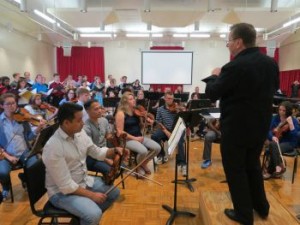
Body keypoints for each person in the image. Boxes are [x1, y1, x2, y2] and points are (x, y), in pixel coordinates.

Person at [202, 23, 279, 225]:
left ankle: (244, 215)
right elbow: (273, 88)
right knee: (252, 166)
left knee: (235, 170)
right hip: (260, 127)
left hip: (236, 129)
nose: (227, 45)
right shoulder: (271, 63)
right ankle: (261, 207)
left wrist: (214, 75)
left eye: (228, 41)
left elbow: (212, 93)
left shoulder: (234, 66)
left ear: (238, 42)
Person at [42, 103, 123, 225]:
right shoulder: (53, 147)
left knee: (114, 193)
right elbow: (66, 186)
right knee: (94, 214)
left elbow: (96, 152)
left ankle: (82, 220)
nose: (83, 123)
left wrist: (115, 150)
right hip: (61, 193)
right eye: (79, 120)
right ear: (66, 123)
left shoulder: (79, 133)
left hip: (82, 181)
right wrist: (92, 195)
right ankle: (88, 218)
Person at [0, 93, 45, 201]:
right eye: (8, 104)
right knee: (2, 172)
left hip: (24, 151)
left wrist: (38, 128)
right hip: (6, 154)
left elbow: (29, 136)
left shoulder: (22, 119)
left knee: (36, 166)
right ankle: (6, 187)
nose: (12, 106)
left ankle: (25, 177)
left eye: (14, 103)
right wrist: (8, 156)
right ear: (2, 106)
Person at [115, 92, 160, 177]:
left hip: (139, 136)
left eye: (133, 98)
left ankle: (142, 164)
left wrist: (147, 123)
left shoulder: (136, 112)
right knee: (143, 151)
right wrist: (135, 139)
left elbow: (141, 127)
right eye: (131, 99)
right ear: (125, 102)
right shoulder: (120, 113)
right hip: (127, 140)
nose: (134, 100)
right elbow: (120, 132)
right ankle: (136, 168)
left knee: (157, 148)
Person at [151, 91, 187, 176]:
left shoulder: (177, 108)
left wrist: (181, 111)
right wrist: (166, 131)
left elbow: (183, 120)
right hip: (165, 129)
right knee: (154, 136)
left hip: (176, 129)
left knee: (180, 141)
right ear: (165, 99)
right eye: (168, 98)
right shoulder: (160, 109)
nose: (170, 100)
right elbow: (158, 122)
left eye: (172, 98)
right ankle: (162, 155)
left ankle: (182, 163)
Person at [263, 101, 299, 179]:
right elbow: (268, 130)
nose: (281, 112)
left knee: (271, 147)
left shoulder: (293, 120)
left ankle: (269, 171)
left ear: (288, 111)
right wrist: (272, 137)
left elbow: (296, 137)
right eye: (280, 110)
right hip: (277, 141)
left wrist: (291, 125)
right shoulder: (275, 118)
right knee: (273, 145)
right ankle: (279, 166)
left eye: (284, 110)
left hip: (289, 143)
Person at [84, 100, 114, 176]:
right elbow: (91, 150)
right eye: (96, 109)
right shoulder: (86, 127)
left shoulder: (104, 120)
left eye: (100, 108)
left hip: (104, 149)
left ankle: (107, 183)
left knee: (121, 166)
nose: (100, 111)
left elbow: (108, 135)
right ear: (87, 111)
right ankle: (105, 185)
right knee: (110, 171)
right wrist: (106, 159)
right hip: (92, 156)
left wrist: (113, 135)